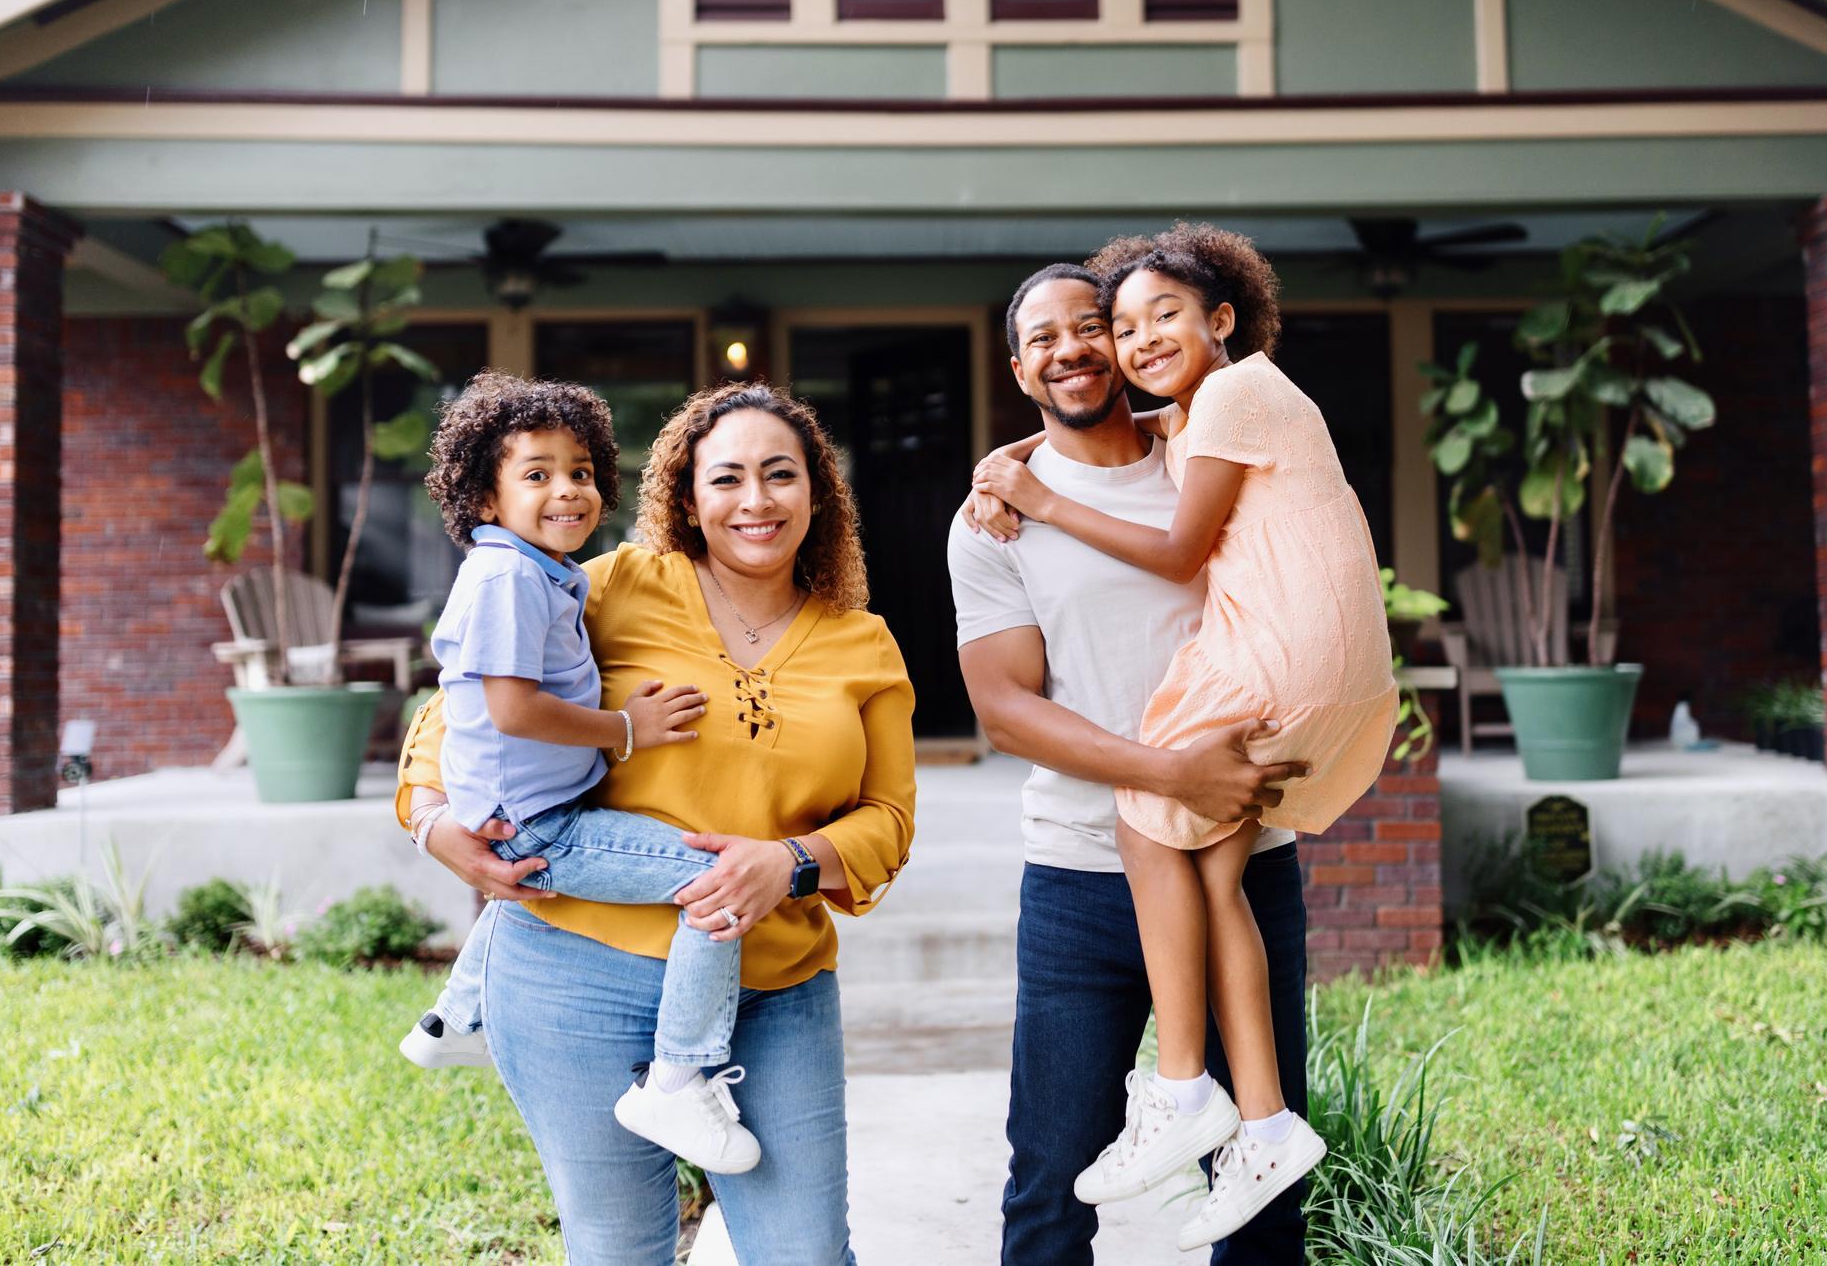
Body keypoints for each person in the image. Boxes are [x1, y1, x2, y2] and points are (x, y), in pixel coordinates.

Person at [397, 382, 916, 1266]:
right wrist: (435, 822)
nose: (755, 501)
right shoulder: (612, 585)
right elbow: (459, 712)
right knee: (619, 1251)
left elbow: (888, 822)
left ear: (818, 493)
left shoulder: (861, 642)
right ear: (686, 496)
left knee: (806, 1255)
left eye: (780, 475)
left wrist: (790, 862)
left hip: (772, 989)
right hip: (574, 979)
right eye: (728, 479)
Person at [970, 225, 1394, 1250]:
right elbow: (1000, 704)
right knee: (1048, 1185)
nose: (1086, 345)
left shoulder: (1203, 432)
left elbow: (1178, 546)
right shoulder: (991, 516)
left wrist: (1035, 481)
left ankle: (1195, 1097)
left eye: (1101, 325)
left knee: (1260, 1229)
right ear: (1019, 366)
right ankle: (1227, 1107)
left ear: (1213, 323)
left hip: (1246, 808)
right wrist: (1022, 469)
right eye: (1055, 334)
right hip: (1073, 885)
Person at [398, 370, 762, 1174]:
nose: (567, 490)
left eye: (582, 472)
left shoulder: (539, 571)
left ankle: (453, 1021)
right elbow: (512, 709)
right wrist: (626, 731)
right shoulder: (506, 578)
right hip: (540, 818)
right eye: (537, 475)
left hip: (529, 804)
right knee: (713, 880)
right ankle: (678, 1076)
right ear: (485, 501)